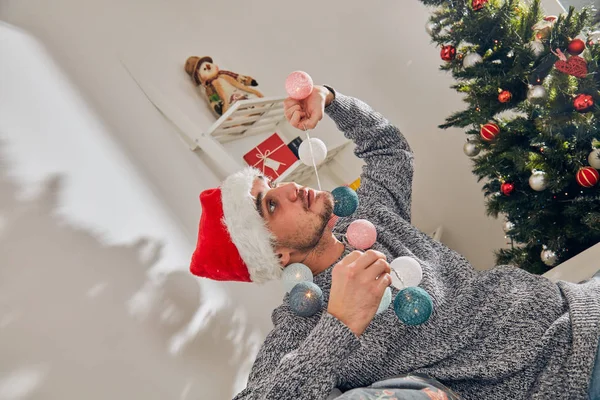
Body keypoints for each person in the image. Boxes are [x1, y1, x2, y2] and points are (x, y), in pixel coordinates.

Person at [189, 85, 600, 400]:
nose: (293, 189)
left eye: (277, 184)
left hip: (576, 305)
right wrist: (341, 324)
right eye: (272, 205)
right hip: (563, 375)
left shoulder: (364, 218)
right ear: (276, 254)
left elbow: (389, 149)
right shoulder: (304, 320)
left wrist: (330, 100)